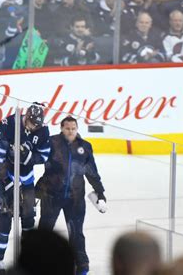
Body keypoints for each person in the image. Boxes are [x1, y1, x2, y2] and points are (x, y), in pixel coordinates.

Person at [36, 116, 106, 275]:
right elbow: (40, 163)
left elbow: (92, 172)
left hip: (75, 199)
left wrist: (100, 191)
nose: (71, 131)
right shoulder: (51, 143)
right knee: (44, 232)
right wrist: (36, 191)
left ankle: (82, 266)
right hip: (51, 196)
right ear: (61, 128)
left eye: (73, 128)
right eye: (67, 128)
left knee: (76, 233)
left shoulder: (85, 147)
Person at [0, 102, 50, 271]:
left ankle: (28, 257)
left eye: (37, 125)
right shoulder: (8, 125)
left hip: (27, 180)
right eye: (32, 124)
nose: (34, 128)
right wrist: (6, 181)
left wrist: (29, 157)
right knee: (4, 220)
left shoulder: (43, 130)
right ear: (26, 118)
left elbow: (44, 156)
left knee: (29, 219)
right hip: (5, 178)